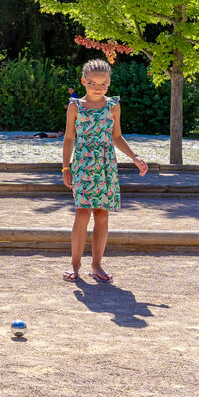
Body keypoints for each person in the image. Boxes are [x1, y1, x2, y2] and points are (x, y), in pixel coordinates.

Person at [62, 59, 148, 283]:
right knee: (82, 212)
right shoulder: (75, 106)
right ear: (84, 82)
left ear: (109, 83)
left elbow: (116, 136)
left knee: (102, 214)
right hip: (82, 164)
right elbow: (69, 137)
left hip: (106, 164)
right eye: (93, 83)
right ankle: (75, 264)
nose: (98, 88)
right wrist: (65, 166)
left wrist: (134, 157)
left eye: (103, 84)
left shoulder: (113, 105)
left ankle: (97, 265)